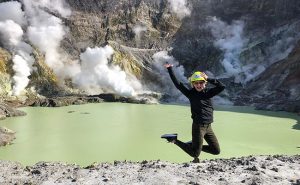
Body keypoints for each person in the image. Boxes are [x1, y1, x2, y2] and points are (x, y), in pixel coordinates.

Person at [161, 63, 225, 163]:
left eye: (201, 82)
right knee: (195, 154)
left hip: (208, 126)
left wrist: (208, 78)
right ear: (193, 84)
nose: (199, 85)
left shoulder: (208, 92)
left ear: (205, 83)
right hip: (198, 127)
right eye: (196, 83)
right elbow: (177, 84)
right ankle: (174, 139)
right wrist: (170, 69)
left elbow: (221, 86)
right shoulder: (190, 94)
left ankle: (193, 145)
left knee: (216, 151)